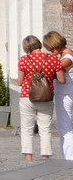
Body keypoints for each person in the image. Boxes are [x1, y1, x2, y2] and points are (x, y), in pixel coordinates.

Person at [18, 34, 64, 161]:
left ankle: (28, 156)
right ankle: (45, 156)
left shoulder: (24, 60)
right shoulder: (53, 59)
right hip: (46, 97)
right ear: (39, 44)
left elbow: (20, 82)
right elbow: (61, 79)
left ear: (27, 47)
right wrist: (49, 77)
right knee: (45, 128)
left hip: (27, 97)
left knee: (27, 128)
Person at [44, 31, 73, 160]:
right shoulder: (66, 55)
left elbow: (53, 70)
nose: (51, 52)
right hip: (66, 94)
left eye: (51, 49)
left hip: (66, 95)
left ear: (56, 46)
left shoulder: (67, 58)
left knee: (65, 129)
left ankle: (69, 159)